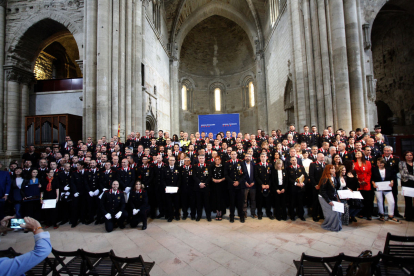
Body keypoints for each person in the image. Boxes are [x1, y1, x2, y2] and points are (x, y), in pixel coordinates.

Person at [371, 158, 399, 223]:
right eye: (378, 163)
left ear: (384, 163)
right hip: (378, 187)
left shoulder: (388, 169)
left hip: (387, 187)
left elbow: (392, 177)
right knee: (380, 201)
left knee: (391, 201)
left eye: (381, 163)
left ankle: (391, 215)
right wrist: (373, 184)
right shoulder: (374, 170)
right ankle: (381, 214)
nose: (379, 164)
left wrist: (392, 182)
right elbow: (372, 178)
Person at [318, 165, 342, 232]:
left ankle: (336, 226)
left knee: (337, 212)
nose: (333, 170)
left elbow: (335, 189)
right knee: (332, 214)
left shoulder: (334, 178)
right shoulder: (325, 178)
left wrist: (337, 199)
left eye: (334, 169)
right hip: (324, 198)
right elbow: (322, 191)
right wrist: (328, 201)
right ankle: (330, 225)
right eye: (331, 169)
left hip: (331, 197)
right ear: (327, 170)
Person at [224, 151, 246, 223]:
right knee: (232, 202)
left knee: (240, 202)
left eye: (234, 154)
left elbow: (245, 174)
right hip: (231, 186)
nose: (233, 155)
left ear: (237, 155)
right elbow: (226, 174)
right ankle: (232, 216)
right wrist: (232, 182)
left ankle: (241, 216)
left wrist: (238, 182)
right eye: (232, 154)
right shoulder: (227, 163)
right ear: (230, 155)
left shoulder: (241, 162)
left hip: (240, 186)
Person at [354, 150, 373, 220]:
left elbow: (369, 173)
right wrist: (358, 181)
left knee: (367, 199)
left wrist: (365, 181)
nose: (357, 154)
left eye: (358, 153)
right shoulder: (354, 163)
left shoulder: (367, 162)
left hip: (366, 183)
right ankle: (361, 213)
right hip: (358, 184)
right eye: (356, 153)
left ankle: (368, 214)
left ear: (362, 154)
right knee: (360, 199)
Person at [288, 156, 308, 221]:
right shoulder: (288, 168)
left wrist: (303, 183)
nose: (294, 161)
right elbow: (288, 178)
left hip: (301, 188)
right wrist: (296, 183)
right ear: (290, 161)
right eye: (293, 160)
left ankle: (301, 215)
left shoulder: (301, 168)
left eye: (295, 160)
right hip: (293, 188)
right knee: (292, 202)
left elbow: (306, 177)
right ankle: (292, 215)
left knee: (300, 202)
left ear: (297, 160)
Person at [255, 153, 274, 220]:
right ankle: (259, 213)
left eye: (264, 157)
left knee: (268, 201)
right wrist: (262, 184)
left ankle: (269, 213)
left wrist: (268, 184)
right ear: (260, 158)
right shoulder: (257, 166)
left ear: (267, 158)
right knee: (259, 201)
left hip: (268, 187)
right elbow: (256, 176)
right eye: (262, 157)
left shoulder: (270, 166)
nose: (263, 158)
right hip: (260, 187)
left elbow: (272, 176)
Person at [193, 155, 211, 221]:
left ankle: (208, 216)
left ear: (204, 159)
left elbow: (209, 176)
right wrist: (200, 183)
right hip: (198, 187)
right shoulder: (195, 166)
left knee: (207, 203)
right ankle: (199, 216)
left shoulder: (208, 166)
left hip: (206, 187)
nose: (201, 159)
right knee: (198, 203)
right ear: (198, 159)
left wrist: (205, 183)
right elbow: (194, 176)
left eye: (202, 158)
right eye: (200, 158)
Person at [162, 156, 181, 222]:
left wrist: (178, 186)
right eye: (170, 160)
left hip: (176, 188)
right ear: (168, 161)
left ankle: (177, 215)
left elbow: (179, 179)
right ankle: (170, 216)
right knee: (169, 203)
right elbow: (163, 179)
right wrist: (165, 187)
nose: (171, 161)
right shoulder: (165, 169)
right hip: (168, 189)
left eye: (173, 160)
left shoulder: (178, 168)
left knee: (176, 203)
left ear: (175, 161)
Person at [309, 153, 326, 222]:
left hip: (323, 186)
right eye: (321, 157)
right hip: (316, 186)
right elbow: (311, 176)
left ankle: (322, 214)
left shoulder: (325, 164)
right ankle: (315, 215)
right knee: (315, 201)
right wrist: (315, 185)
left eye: (323, 157)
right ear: (317, 158)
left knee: (323, 201)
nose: (322, 159)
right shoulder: (313, 164)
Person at [399, 151, 414, 221]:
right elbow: (403, 174)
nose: (409, 156)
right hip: (406, 183)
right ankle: (408, 216)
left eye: (410, 155)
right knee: (408, 200)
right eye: (407, 155)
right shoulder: (401, 163)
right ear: (405, 156)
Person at [211, 156, 226, 221]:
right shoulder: (212, 167)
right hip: (214, 185)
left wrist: (220, 180)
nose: (217, 161)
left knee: (221, 198)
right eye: (216, 160)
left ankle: (221, 213)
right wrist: (213, 179)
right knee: (215, 198)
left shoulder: (223, 167)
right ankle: (217, 213)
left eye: (218, 160)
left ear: (220, 160)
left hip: (222, 185)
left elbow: (226, 176)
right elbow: (210, 175)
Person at [243, 153, 256, 219]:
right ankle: (244, 213)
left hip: (252, 185)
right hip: (245, 185)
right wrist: (245, 182)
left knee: (253, 200)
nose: (247, 157)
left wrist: (254, 182)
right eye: (246, 156)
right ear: (244, 157)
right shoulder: (242, 165)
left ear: (251, 157)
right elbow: (241, 174)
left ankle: (253, 213)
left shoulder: (253, 165)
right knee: (244, 200)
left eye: (249, 156)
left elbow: (256, 174)